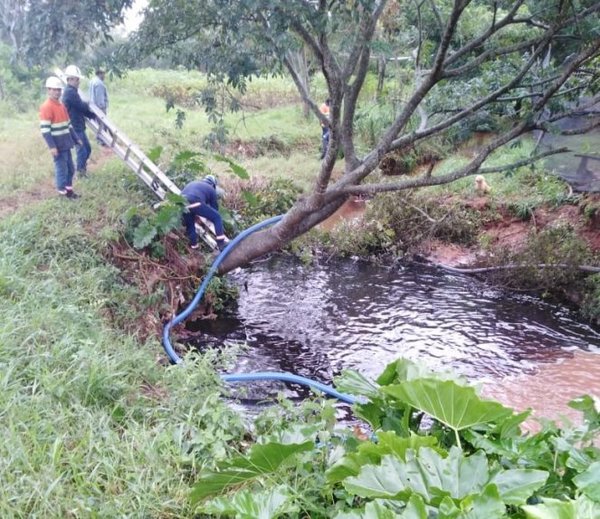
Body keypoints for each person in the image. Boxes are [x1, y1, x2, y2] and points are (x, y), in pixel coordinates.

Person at [39, 76, 81, 199]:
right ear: (48, 90)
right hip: (57, 145)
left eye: (59, 90)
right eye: (54, 89)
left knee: (71, 169)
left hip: (66, 144)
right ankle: (62, 193)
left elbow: (69, 125)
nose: (57, 92)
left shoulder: (61, 106)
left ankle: (69, 191)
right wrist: (52, 147)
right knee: (61, 169)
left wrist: (76, 138)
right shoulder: (46, 107)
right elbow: (45, 131)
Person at [62, 65, 96, 177]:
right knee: (82, 150)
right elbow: (81, 106)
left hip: (78, 126)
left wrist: (91, 114)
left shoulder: (73, 91)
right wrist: (89, 107)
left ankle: (81, 169)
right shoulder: (70, 92)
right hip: (74, 127)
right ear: (70, 79)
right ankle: (80, 173)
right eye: (77, 79)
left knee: (87, 149)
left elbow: (79, 108)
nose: (78, 81)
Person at [181, 175, 228, 251]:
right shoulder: (211, 189)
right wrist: (207, 217)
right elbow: (214, 209)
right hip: (195, 201)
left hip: (182, 204)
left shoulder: (195, 183)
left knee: (190, 226)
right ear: (213, 184)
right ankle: (221, 243)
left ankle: (194, 247)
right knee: (217, 217)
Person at [88, 68, 109, 146]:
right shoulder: (99, 83)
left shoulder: (92, 81)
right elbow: (100, 99)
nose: (104, 75)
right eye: (103, 73)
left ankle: (100, 139)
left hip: (93, 106)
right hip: (99, 107)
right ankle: (102, 140)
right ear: (100, 73)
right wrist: (102, 108)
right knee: (102, 124)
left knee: (98, 124)